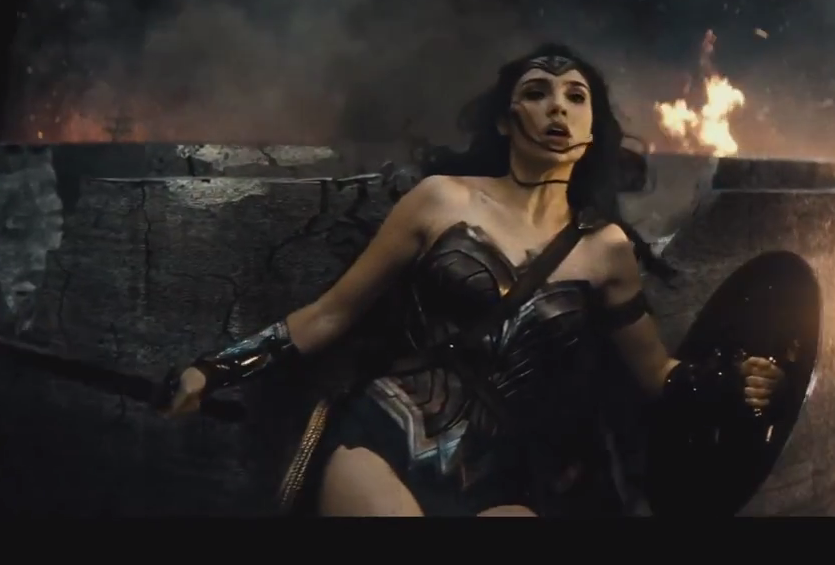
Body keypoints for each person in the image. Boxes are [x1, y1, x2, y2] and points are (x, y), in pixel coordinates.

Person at [160, 43, 784, 517]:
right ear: (507, 121)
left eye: (575, 97)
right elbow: (330, 314)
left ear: (592, 131)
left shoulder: (606, 249)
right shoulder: (441, 201)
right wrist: (214, 369)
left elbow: (655, 373)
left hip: (503, 472)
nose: (557, 107)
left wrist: (732, 380)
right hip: (386, 434)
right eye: (537, 92)